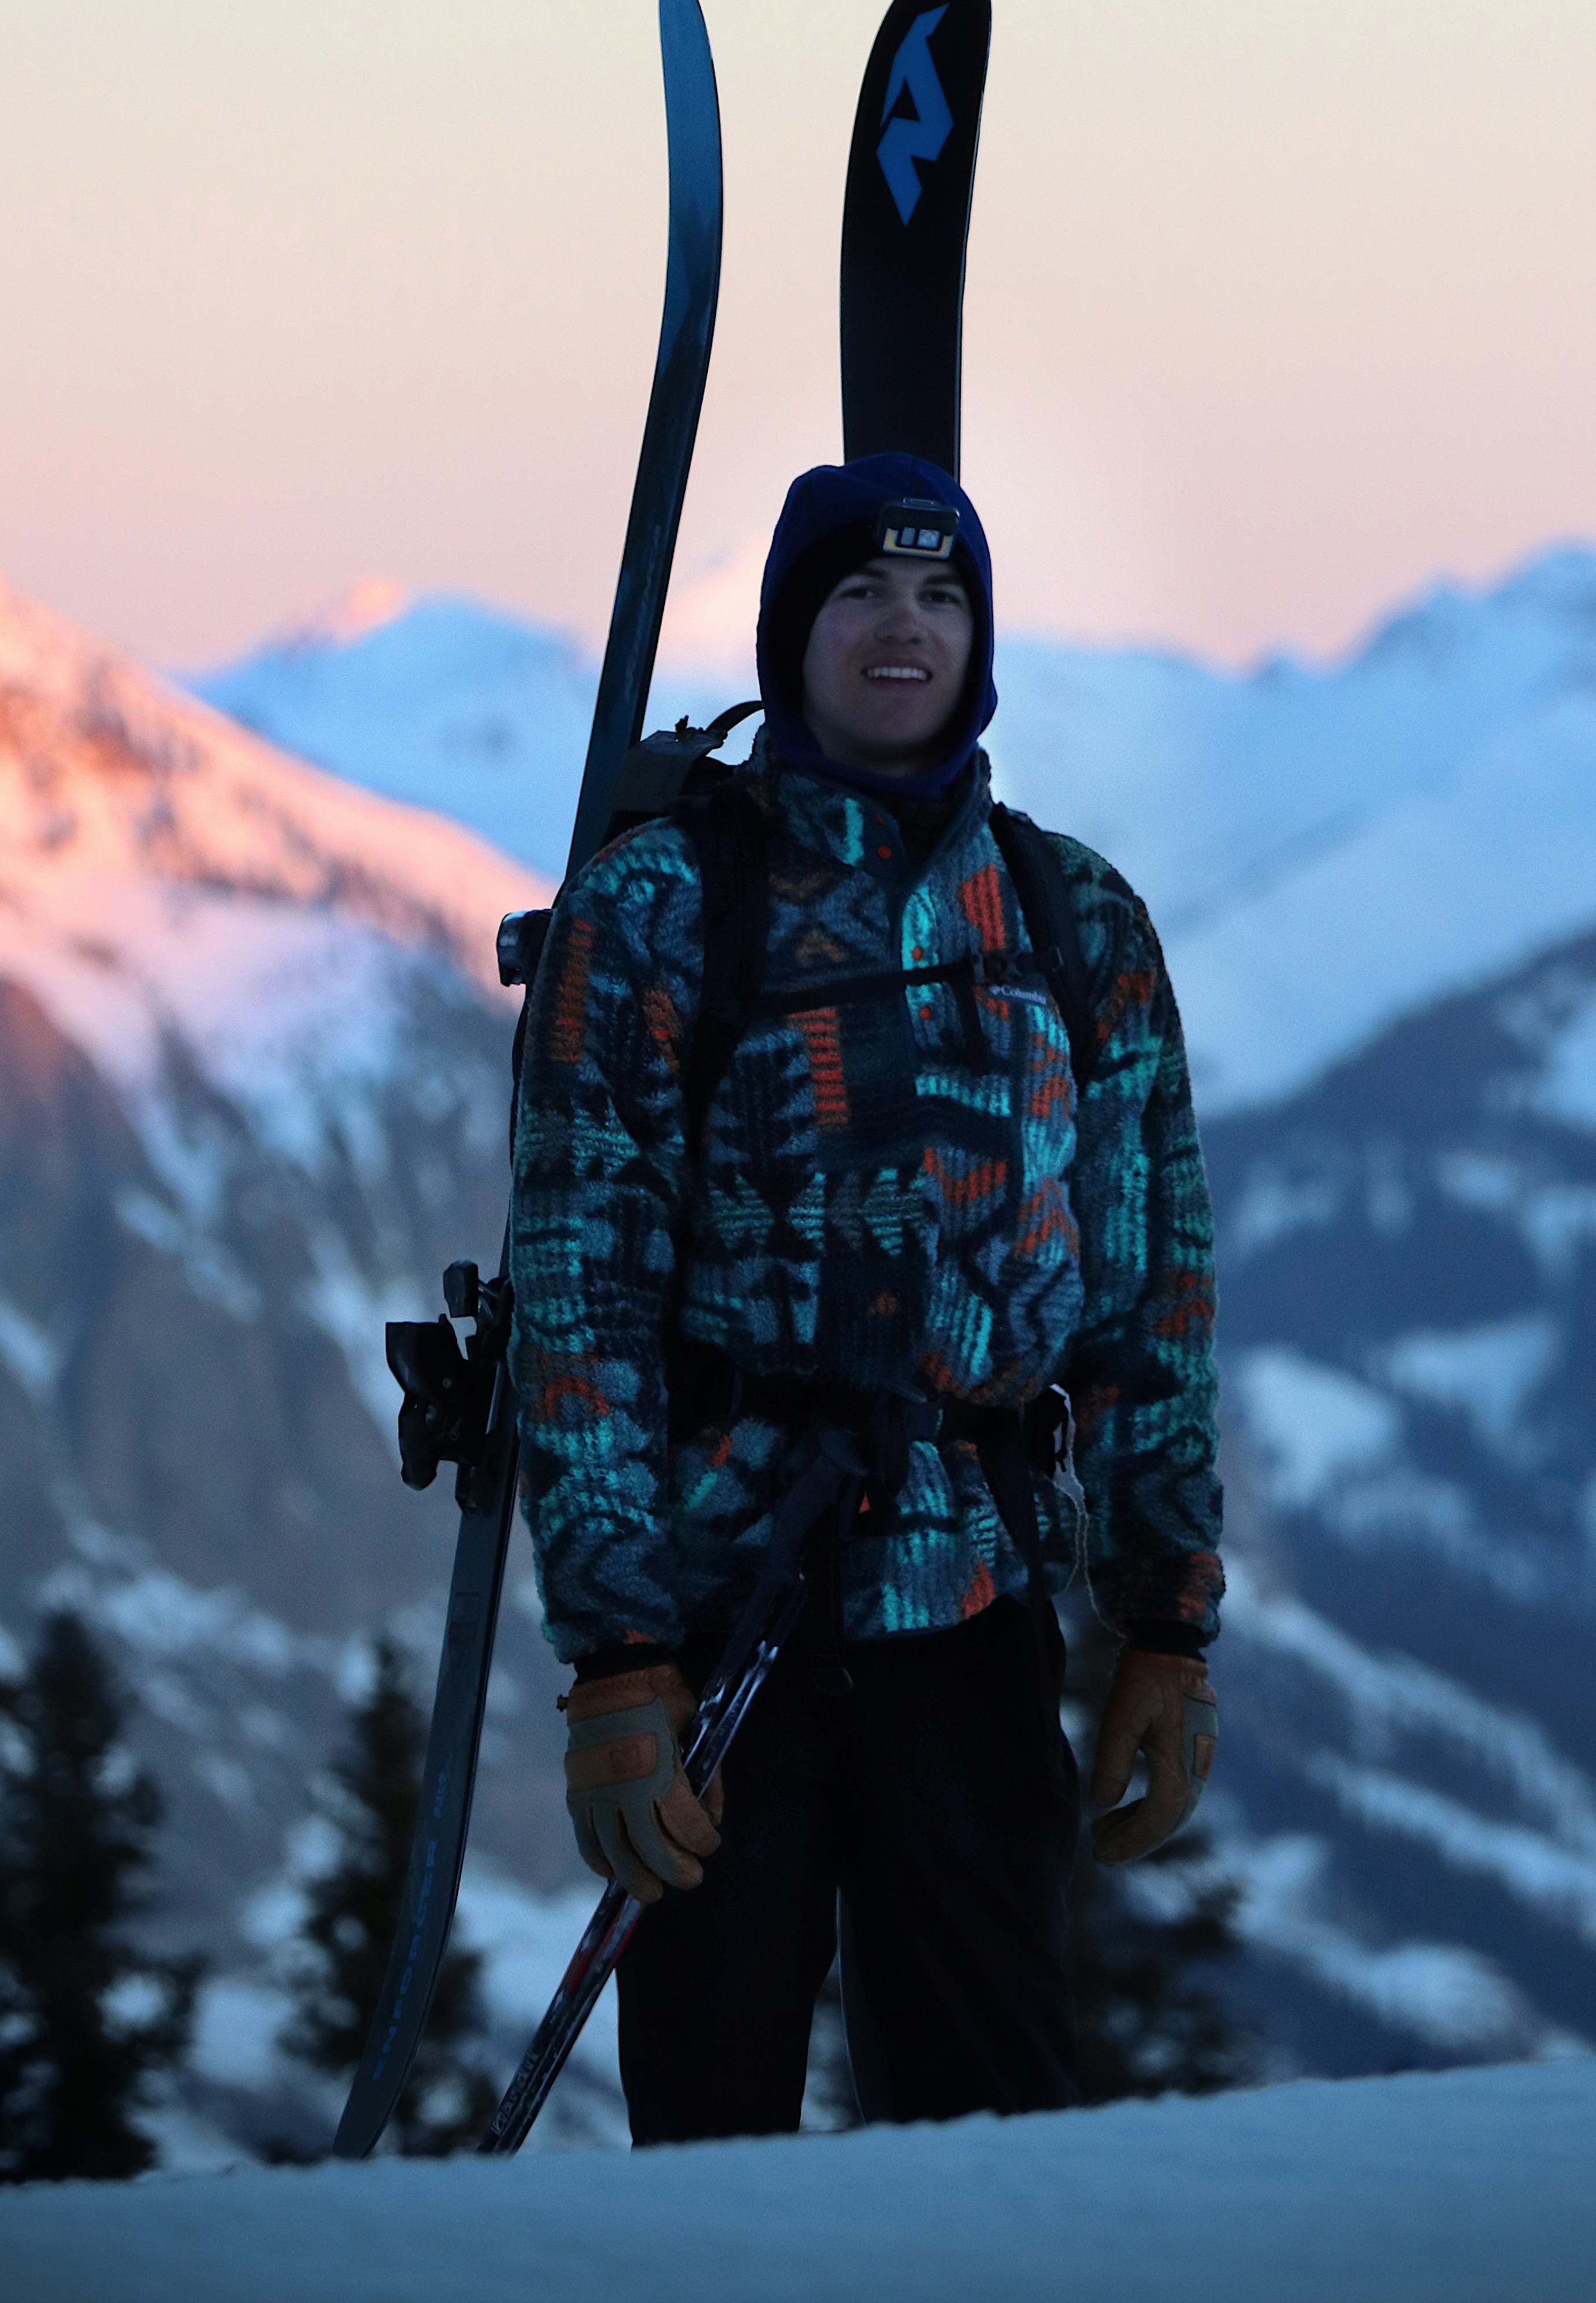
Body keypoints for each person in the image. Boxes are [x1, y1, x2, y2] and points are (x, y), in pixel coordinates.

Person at [508, 451, 1224, 2139]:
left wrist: (1165, 1614)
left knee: (1000, 2128)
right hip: (721, 1612)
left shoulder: (1076, 917)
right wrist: (616, 1654)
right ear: (788, 631)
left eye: (943, 593)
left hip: (974, 1610)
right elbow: (577, 1286)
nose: (904, 629)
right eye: (860, 592)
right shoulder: (663, 905)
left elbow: (1150, 1289)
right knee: (718, 2135)